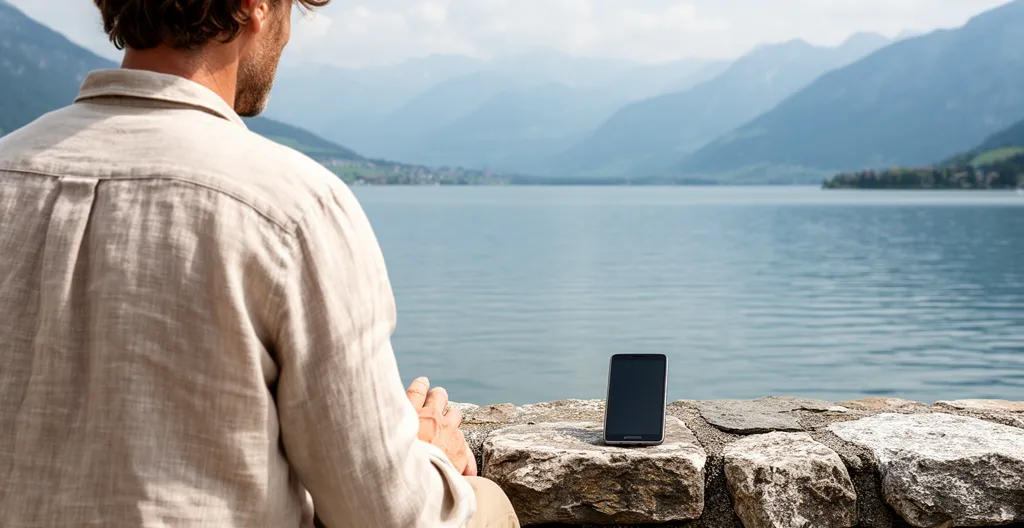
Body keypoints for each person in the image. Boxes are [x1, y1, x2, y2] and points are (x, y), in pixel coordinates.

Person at [0, 0, 519, 526]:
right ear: (257, 7)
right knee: (485, 506)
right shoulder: (292, 208)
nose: (289, 34)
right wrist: (429, 452)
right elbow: (390, 515)